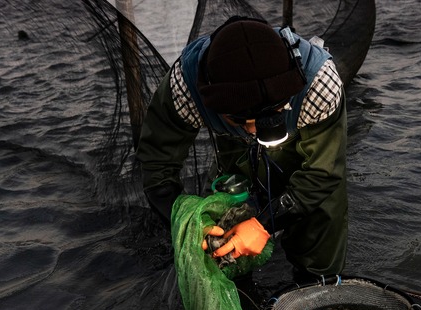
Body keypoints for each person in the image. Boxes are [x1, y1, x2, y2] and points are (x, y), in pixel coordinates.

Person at [136, 16, 348, 280]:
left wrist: (265, 224)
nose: (253, 130)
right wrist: (191, 223)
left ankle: (315, 285)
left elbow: (322, 173)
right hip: (232, 146)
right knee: (227, 209)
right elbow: (157, 168)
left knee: (320, 218)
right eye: (241, 120)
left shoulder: (320, 84)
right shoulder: (185, 87)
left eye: (264, 118)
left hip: (298, 135)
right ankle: (239, 284)